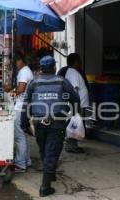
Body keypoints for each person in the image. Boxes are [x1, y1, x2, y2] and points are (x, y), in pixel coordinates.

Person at [21, 56, 80, 197]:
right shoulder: (62, 81)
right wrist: (69, 113)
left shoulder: (33, 83)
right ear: (54, 68)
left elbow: (25, 105)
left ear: (41, 68)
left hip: (38, 124)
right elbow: (76, 100)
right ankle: (45, 187)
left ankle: (50, 174)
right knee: (51, 153)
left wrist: (24, 124)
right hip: (56, 124)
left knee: (45, 151)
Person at [57, 53, 89, 154]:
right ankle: (71, 146)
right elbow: (74, 90)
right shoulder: (73, 72)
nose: (81, 63)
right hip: (74, 104)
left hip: (72, 104)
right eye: (79, 61)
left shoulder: (68, 71)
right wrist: (76, 106)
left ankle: (72, 145)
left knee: (73, 124)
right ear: (76, 62)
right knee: (73, 125)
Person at [13, 51, 34, 172]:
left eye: (14, 62)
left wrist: (11, 93)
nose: (14, 65)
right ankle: (26, 160)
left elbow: (21, 88)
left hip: (20, 108)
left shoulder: (24, 72)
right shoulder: (26, 71)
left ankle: (20, 164)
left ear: (19, 60)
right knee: (23, 135)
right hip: (24, 107)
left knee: (19, 136)